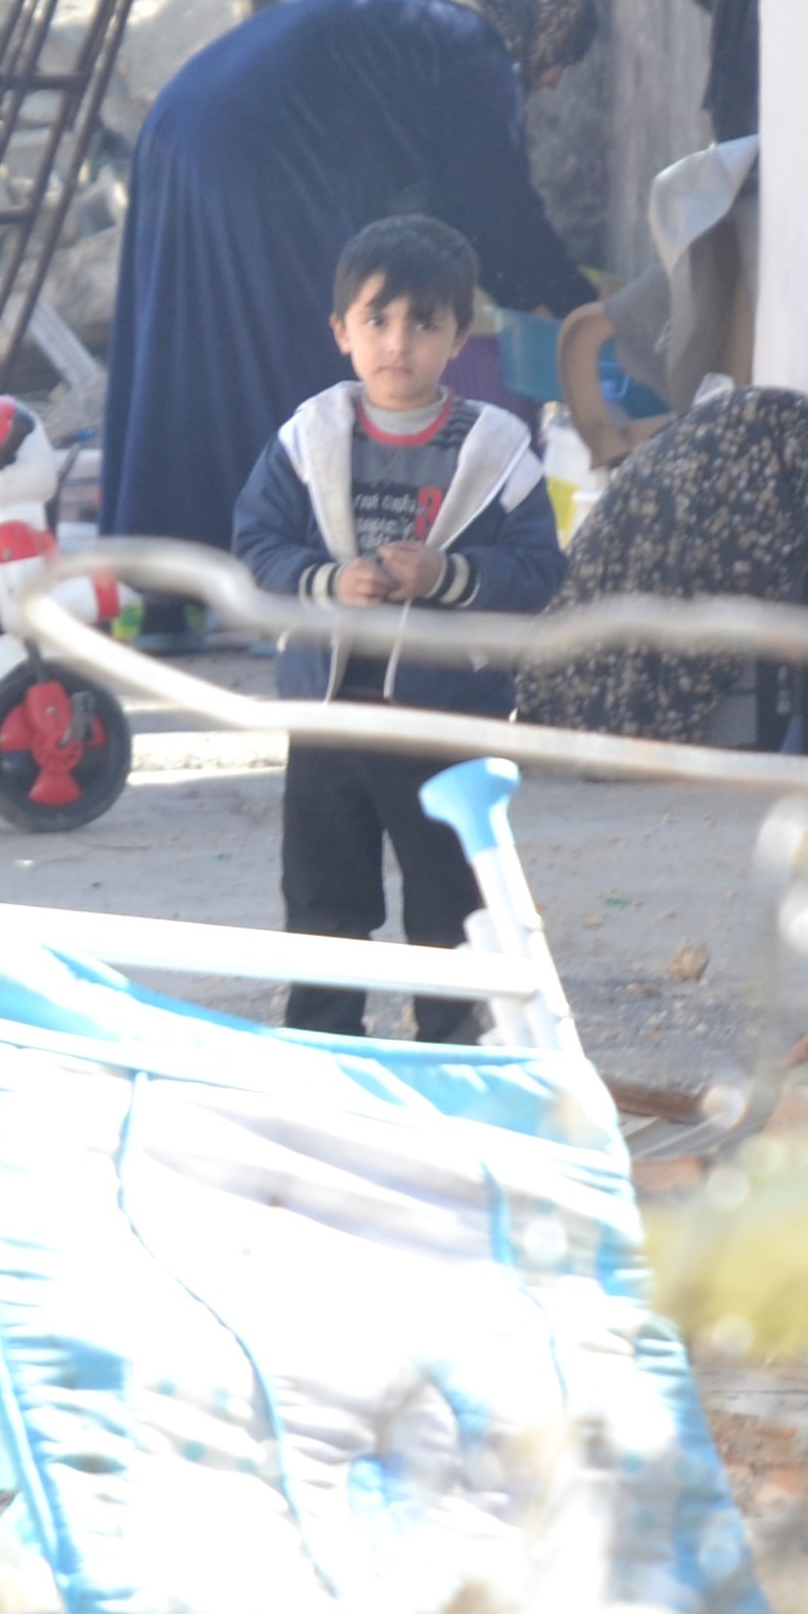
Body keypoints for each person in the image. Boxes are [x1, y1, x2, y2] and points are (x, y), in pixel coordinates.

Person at [100, 0, 597, 618]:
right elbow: (501, 214)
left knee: (191, 352)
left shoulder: (416, 18)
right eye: (561, 58)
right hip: (252, 152)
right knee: (304, 355)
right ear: (545, 27)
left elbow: (440, 199)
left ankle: (167, 586)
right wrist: (581, 312)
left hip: (177, 128)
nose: (555, 81)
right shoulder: (477, 48)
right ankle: (292, 579)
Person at [228, 216, 568, 1041]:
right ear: (341, 332)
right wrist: (327, 582)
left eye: (425, 322)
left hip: (444, 722)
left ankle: (450, 1054)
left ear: (458, 337)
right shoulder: (308, 441)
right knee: (322, 903)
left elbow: (538, 571)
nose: (399, 343)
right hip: (331, 718)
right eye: (377, 320)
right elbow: (256, 545)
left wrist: (446, 577)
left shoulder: (494, 447)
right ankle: (323, 1048)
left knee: (449, 904)